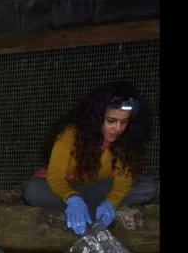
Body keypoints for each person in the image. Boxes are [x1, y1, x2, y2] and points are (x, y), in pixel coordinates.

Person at [23, 82, 157, 234]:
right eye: (111, 121)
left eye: (124, 122)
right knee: (32, 189)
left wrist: (110, 203)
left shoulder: (126, 139)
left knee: (149, 187)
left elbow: (123, 180)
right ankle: (89, 214)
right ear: (97, 118)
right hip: (68, 191)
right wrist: (72, 199)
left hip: (100, 191)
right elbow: (55, 176)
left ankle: (93, 213)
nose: (118, 128)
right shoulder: (70, 133)